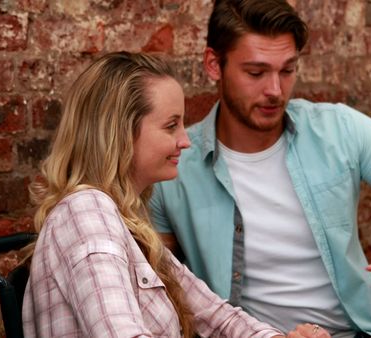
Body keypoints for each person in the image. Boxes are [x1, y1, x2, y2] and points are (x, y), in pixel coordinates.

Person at [149, 0, 371, 337]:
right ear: (213, 64)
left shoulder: (339, 130)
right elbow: (163, 298)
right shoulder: (174, 168)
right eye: (256, 72)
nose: (275, 91)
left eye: (287, 70)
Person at [22, 51, 330, 338]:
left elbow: (215, 315)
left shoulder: (126, 221)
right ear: (120, 133)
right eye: (171, 126)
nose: (185, 140)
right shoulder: (86, 212)